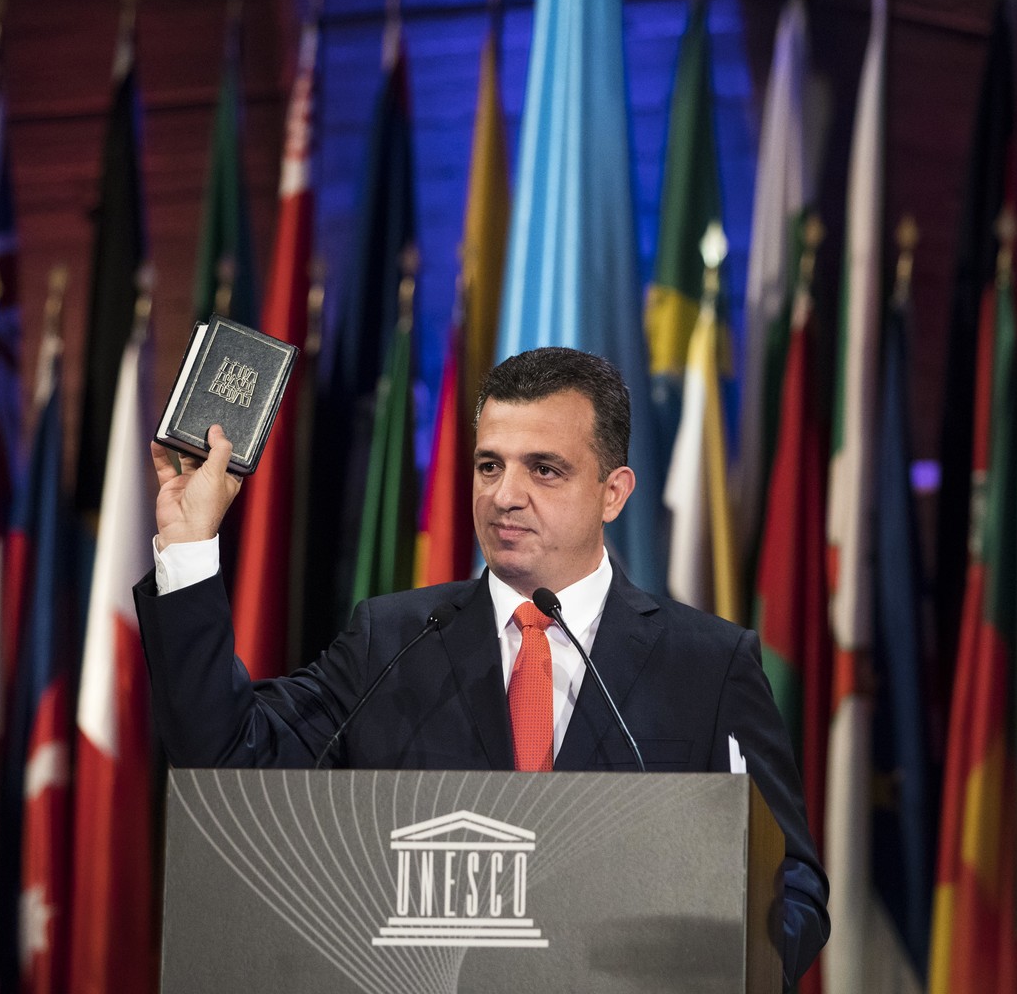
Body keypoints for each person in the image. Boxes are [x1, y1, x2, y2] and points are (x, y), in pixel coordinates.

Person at [136, 346, 830, 983]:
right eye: (489, 464)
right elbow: (226, 756)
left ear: (613, 493)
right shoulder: (392, 639)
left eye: (544, 469)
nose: (504, 495)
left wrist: (717, 971)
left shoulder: (706, 665)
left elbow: (789, 883)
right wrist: (188, 548)